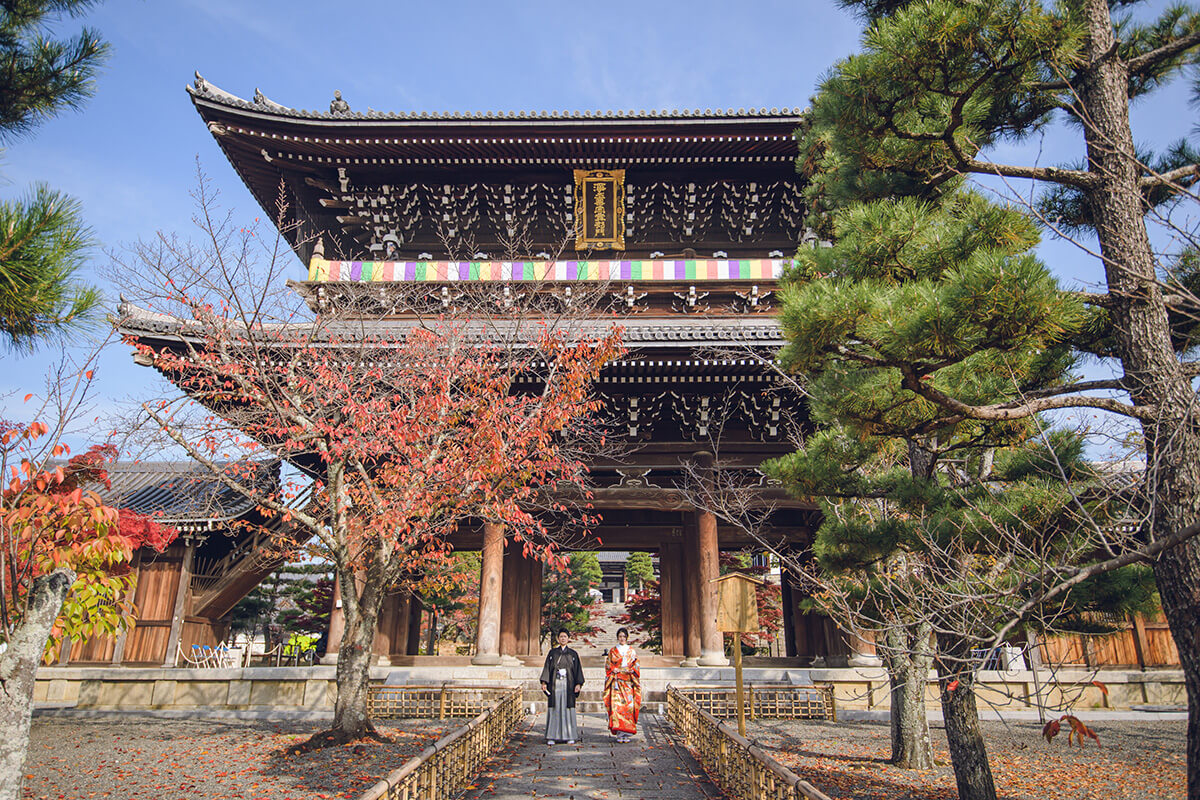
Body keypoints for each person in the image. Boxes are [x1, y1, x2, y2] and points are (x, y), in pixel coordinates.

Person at [540, 628, 584, 745]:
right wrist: (544, 682)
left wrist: (578, 684)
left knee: (567, 708)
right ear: (558, 638)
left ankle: (569, 735)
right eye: (561, 637)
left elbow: (577, 670)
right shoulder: (552, 653)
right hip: (555, 684)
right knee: (555, 708)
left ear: (568, 638)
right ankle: (552, 736)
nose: (563, 638)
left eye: (565, 636)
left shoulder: (573, 654)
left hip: (568, 684)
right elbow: (547, 668)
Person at [604, 627, 641, 743]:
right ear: (617, 638)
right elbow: (608, 665)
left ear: (627, 638)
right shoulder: (613, 651)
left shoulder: (631, 651)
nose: (622, 639)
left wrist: (632, 670)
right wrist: (613, 669)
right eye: (620, 636)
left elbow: (636, 665)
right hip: (616, 681)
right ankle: (619, 733)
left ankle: (627, 733)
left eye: (624, 637)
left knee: (628, 707)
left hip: (628, 681)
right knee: (617, 707)